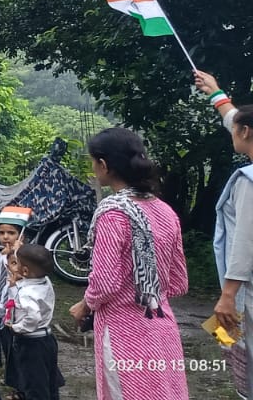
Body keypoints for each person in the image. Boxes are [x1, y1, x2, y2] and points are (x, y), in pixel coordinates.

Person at [68, 127, 189, 400]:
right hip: (162, 325)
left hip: (124, 331)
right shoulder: (164, 210)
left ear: (104, 164)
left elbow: (105, 284)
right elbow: (179, 281)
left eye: (93, 161)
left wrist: (85, 304)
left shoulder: (113, 214)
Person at [196, 69, 253, 400]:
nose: (231, 129)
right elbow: (234, 117)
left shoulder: (247, 181)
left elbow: (245, 240)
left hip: (246, 287)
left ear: (245, 132)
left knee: (243, 352)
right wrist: (216, 92)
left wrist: (228, 295)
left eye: (235, 128)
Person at [0, 244, 64, 400]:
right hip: (47, 339)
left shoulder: (27, 294)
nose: (13, 267)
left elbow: (33, 316)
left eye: (17, 263)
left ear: (25, 271)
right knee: (49, 382)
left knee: (34, 385)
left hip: (31, 343)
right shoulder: (44, 281)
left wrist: (17, 327)